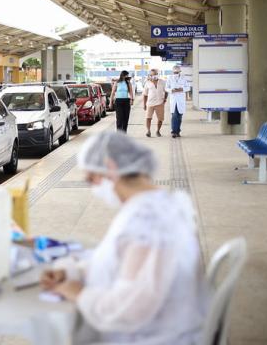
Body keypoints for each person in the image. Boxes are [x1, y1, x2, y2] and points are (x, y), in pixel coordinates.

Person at [40, 131, 208, 345]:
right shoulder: (159, 203)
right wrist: (74, 271)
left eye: (91, 179)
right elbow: (122, 262)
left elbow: (130, 309)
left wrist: (79, 292)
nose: (94, 189)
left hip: (152, 337)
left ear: (110, 168)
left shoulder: (147, 221)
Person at [166, 65, 189, 138]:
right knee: (174, 115)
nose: (176, 73)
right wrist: (171, 90)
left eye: (177, 72)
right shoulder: (169, 78)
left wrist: (181, 89)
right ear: (173, 72)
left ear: (180, 72)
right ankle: (173, 132)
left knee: (179, 116)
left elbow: (188, 87)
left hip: (180, 100)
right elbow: (166, 88)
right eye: (174, 72)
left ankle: (178, 131)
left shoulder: (184, 78)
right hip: (173, 100)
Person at [143, 68, 167, 137]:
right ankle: (148, 131)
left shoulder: (162, 82)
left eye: (155, 74)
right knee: (148, 118)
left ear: (157, 74)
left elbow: (166, 91)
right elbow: (145, 95)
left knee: (160, 119)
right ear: (150, 75)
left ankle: (158, 131)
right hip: (150, 104)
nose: (154, 76)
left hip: (160, 103)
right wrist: (144, 104)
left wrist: (165, 99)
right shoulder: (147, 83)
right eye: (152, 75)